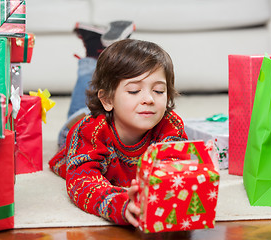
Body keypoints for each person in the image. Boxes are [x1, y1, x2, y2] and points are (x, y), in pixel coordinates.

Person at [49, 37, 188, 226]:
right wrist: (118, 203)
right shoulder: (89, 132)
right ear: (107, 99)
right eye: (133, 91)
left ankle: (98, 53)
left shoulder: (171, 125)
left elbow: (176, 168)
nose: (149, 99)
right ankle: (91, 55)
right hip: (75, 128)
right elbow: (83, 182)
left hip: (114, 112)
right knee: (78, 109)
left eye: (158, 91)